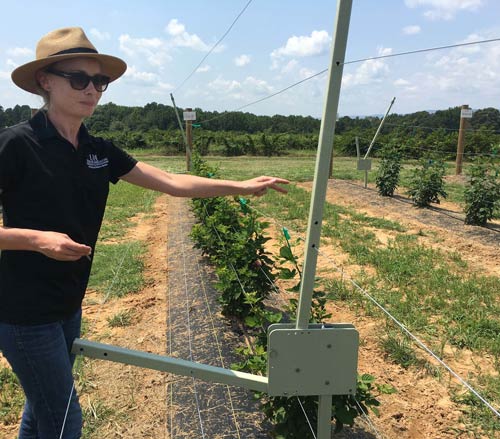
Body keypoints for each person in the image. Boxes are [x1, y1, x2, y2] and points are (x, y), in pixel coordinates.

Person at [0, 27, 288, 439]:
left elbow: (171, 180)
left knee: (42, 409)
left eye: (99, 81)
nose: (92, 90)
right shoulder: (16, 145)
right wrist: (35, 239)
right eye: (79, 79)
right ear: (45, 81)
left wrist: (240, 186)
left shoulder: (97, 150)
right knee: (64, 420)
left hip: (67, 304)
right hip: (25, 313)